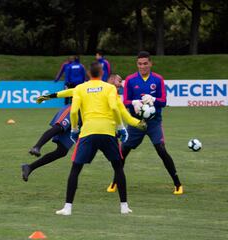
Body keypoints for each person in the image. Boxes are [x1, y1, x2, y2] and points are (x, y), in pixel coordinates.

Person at [23, 74, 146, 183]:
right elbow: (70, 92)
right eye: (120, 81)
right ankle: (37, 146)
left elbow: (112, 116)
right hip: (73, 110)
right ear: (112, 80)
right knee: (59, 127)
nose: (121, 84)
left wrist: (132, 123)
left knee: (62, 151)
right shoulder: (93, 87)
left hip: (82, 122)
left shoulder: (113, 96)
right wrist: (47, 97)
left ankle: (29, 167)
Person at [55, 61, 132, 216]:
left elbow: (74, 111)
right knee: (118, 167)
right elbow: (115, 108)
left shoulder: (80, 88)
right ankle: (124, 206)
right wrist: (121, 127)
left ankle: (67, 208)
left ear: (88, 74)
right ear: (102, 74)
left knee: (76, 169)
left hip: (88, 132)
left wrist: (75, 130)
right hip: (107, 132)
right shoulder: (110, 88)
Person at [107, 51, 183, 195]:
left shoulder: (158, 79)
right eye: (140, 64)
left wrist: (153, 99)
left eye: (145, 63)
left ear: (150, 63)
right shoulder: (130, 80)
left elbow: (164, 102)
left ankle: (177, 183)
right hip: (136, 123)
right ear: (137, 64)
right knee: (122, 152)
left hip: (154, 122)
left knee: (161, 150)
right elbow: (125, 102)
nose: (142, 66)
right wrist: (134, 102)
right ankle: (115, 181)